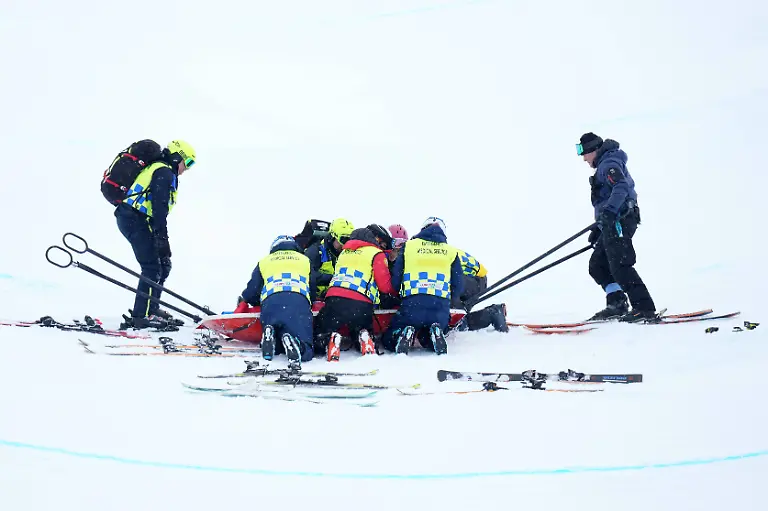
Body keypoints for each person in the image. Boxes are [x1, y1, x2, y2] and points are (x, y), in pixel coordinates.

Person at [115, 140, 195, 330]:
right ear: (177, 157)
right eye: (187, 163)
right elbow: (159, 209)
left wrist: (161, 240)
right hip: (133, 218)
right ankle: (140, 316)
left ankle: (152, 308)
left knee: (163, 264)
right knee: (151, 267)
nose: (186, 169)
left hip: (138, 219)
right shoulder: (163, 172)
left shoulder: (163, 170)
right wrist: (162, 238)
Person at [577, 132, 656, 322]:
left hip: (620, 219)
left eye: (584, 152)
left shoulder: (609, 164)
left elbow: (621, 187)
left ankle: (644, 308)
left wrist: (610, 213)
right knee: (598, 265)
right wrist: (600, 227)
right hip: (612, 222)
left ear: (594, 149)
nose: (584, 158)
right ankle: (617, 303)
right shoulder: (605, 164)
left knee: (620, 263)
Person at [382, 217, 464, 355]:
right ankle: (433, 333)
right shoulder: (451, 251)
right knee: (430, 335)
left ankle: (401, 333)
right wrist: (451, 299)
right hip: (440, 306)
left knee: (388, 339)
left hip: (413, 304)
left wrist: (397, 294)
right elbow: (458, 285)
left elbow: (396, 278)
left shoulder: (409, 247)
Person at [315, 225, 396, 361]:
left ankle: (330, 338)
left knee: (323, 327)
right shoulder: (376, 254)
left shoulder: (344, 253)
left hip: (334, 299)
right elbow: (385, 286)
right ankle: (364, 336)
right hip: (360, 302)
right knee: (360, 326)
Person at [238, 235, 316, 365]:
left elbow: (252, 290)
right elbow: (312, 286)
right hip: (297, 299)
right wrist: (310, 302)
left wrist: (252, 301)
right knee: (305, 348)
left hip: (271, 301)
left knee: (277, 331)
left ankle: (272, 338)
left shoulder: (265, 261)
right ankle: (297, 344)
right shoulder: (305, 260)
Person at [451, 250, 509, 332]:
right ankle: (491, 314)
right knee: (453, 320)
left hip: (473, 280)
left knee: (452, 319)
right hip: (466, 279)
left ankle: (493, 313)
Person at [304, 218, 354, 299]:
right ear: (332, 237)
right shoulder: (316, 251)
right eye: (344, 240)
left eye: (350, 240)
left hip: (337, 295)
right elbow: (308, 275)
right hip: (318, 298)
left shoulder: (348, 253)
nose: (346, 245)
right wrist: (334, 278)